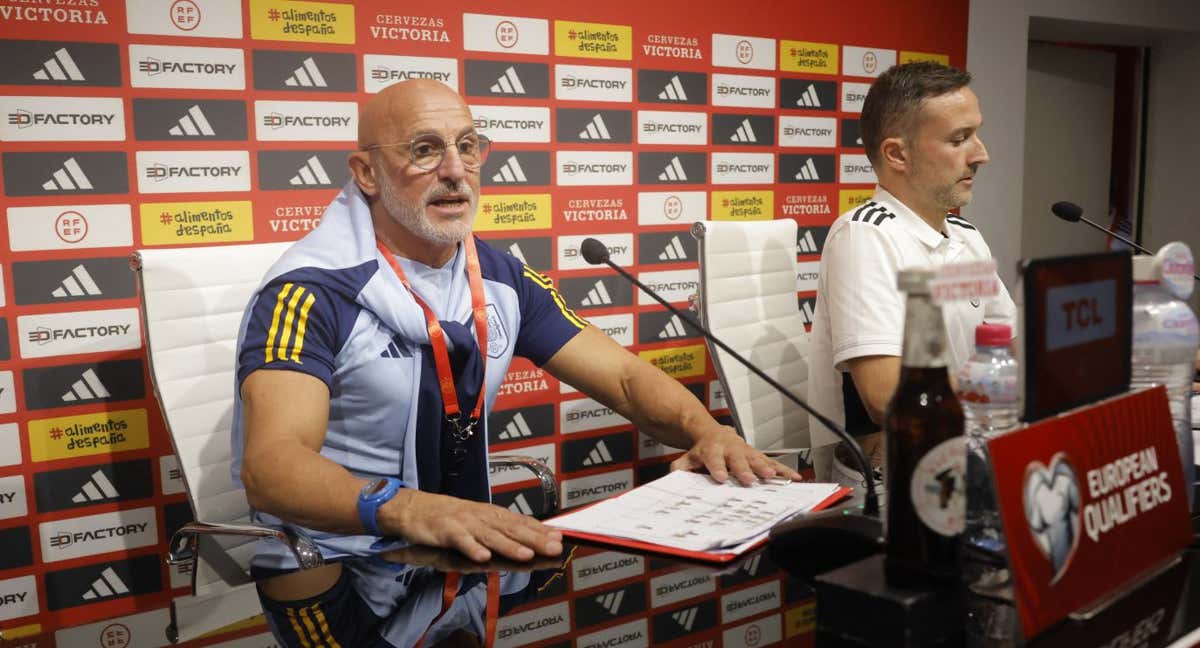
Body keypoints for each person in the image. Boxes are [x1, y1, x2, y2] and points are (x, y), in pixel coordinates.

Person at [232, 79, 800, 603]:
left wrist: (707, 431)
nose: (456, 170)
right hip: (331, 566)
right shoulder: (308, 291)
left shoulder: (497, 277)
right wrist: (410, 510)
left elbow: (625, 380)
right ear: (367, 173)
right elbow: (272, 467)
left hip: (458, 557)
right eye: (426, 149)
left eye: (469, 146)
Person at [807, 62, 1017, 477]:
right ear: (897, 154)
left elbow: (1013, 344)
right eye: (960, 139)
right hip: (894, 485)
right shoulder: (864, 238)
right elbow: (888, 399)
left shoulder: (964, 236)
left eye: (976, 133)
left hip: (967, 451)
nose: (982, 154)